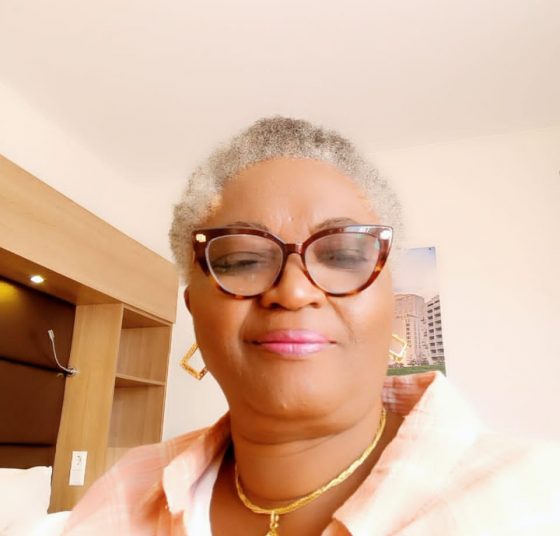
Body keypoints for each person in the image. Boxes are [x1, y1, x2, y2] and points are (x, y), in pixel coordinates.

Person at [63, 117, 560, 535]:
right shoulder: (122, 498)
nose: (295, 291)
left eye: (342, 255)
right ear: (193, 308)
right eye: (242, 260)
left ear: (390, 301)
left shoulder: (532, 501)